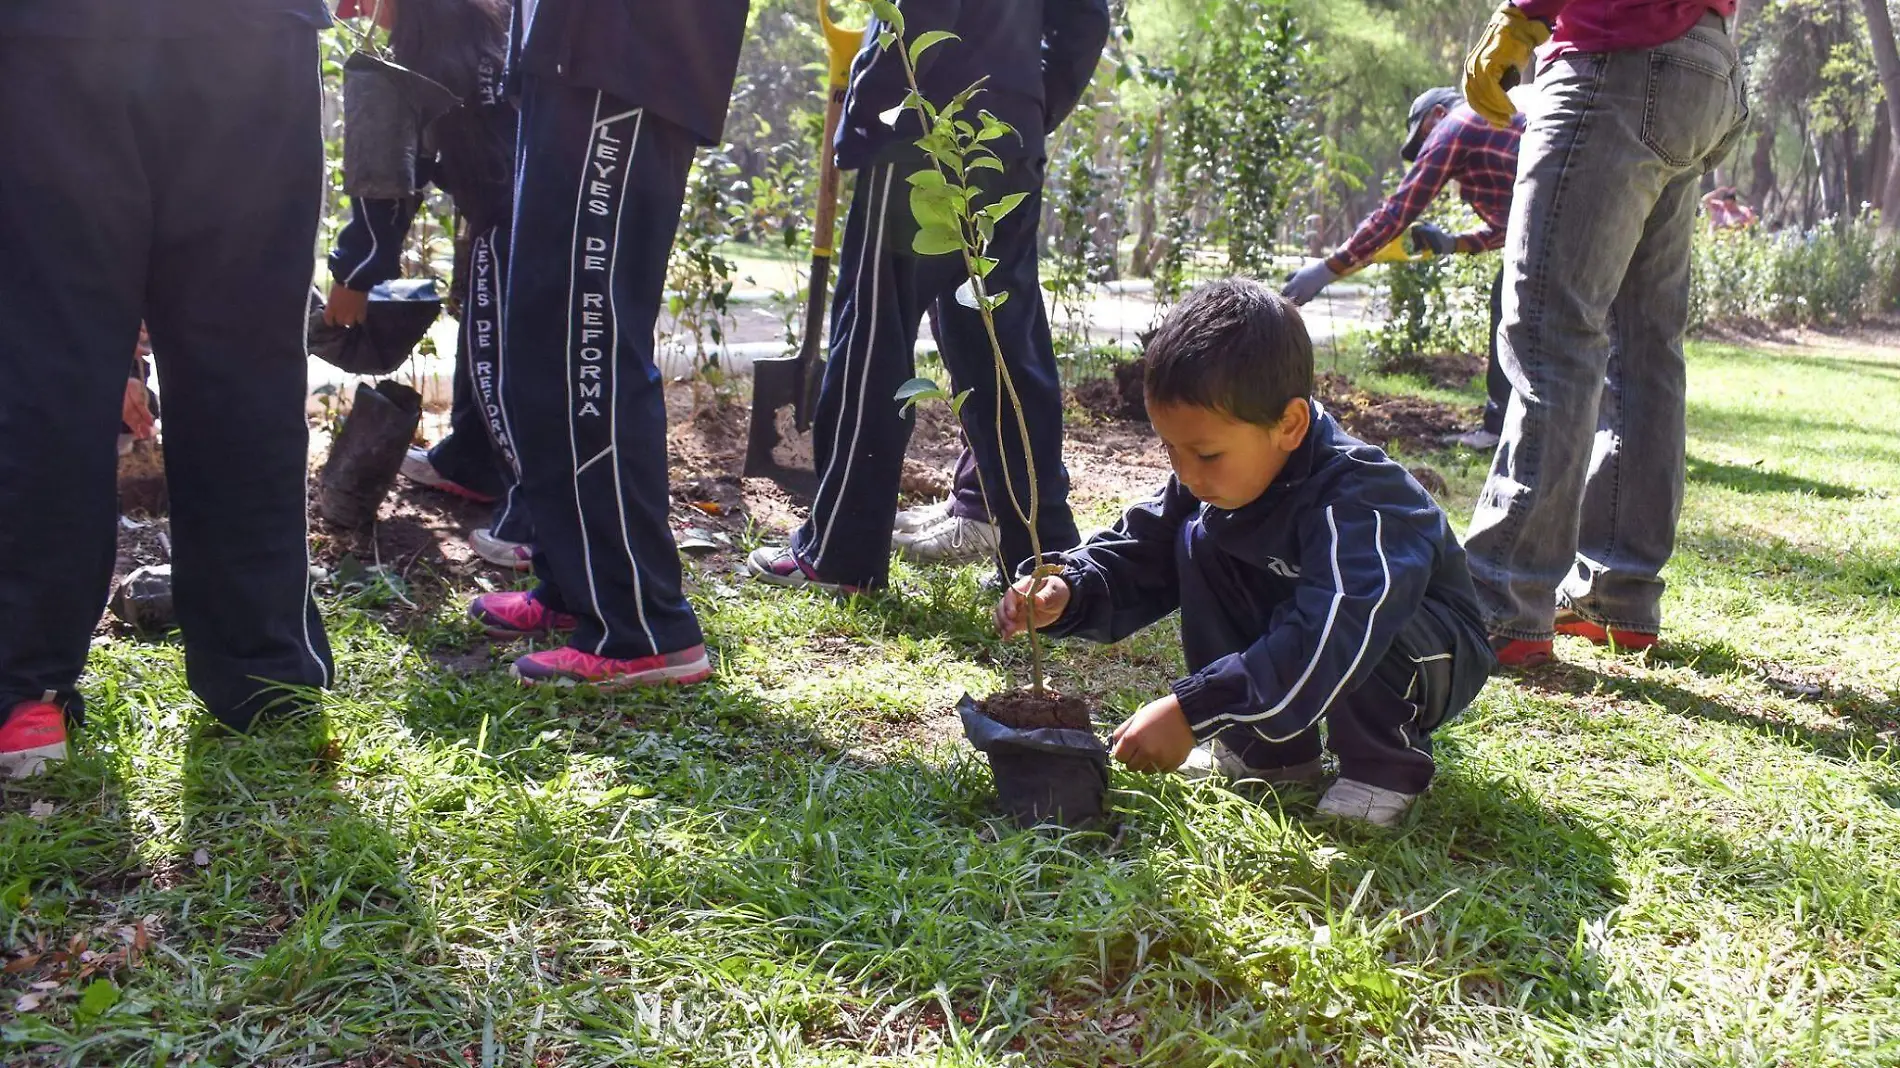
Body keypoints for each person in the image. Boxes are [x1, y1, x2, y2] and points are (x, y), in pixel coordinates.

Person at [995, 280, 1495, 826]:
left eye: (1206, 453)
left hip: (1423, 648)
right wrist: (1068, 588)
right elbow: (1143, 549)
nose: (1185, 472)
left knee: (1359, 613)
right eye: (1171, 449)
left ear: (1290, 425)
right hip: (1323, 626)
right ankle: (1270, 755)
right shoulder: (1218, 480)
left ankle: (1381, 767)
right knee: (1200, 536)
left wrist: (1194, 711)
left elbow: (1332, 634)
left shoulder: (1364, 502)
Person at [0, 0, 336, 778]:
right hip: (245, 33)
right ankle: (265, 672)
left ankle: (25, 691)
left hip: (48, 38)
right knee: (244, 360)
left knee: (47, 358)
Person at [745, 0, 1111, 592]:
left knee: (873, 337)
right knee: (1004, 346)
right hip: (1009, 134)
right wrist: (1030, 105)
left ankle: (841, 550)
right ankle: (1040, 560)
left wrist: (865, 112)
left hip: (920, 124)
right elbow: (1085, 19)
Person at [463, 0, 749, 687]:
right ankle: (576, 587)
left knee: (587, 342)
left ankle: (644, 625)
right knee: (539, 339)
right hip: (563, 60)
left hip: (625, 56)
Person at [1460, 1, 1748, 667]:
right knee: (1643, 344)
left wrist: (1523, 15)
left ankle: (1502, 600)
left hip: (1617, 54)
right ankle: (1617, 591)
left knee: (1551, 332)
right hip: (1705, 64)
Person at [329, 0, 534, 571]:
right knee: (484, 328)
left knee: (507, 372)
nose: (358, 13)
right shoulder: (494, 31)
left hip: (515, 228)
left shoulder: (421, 59)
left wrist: (356, 271)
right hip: (546, 221)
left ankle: (538, 520)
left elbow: (391, 178)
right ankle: (470, 460)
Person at [1283, 87, 1521, 451]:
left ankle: (1501, 428)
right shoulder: (1501, 122)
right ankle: (1515, 426)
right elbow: (1514, 227)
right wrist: (1454, 243)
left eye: (1424, 135)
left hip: (1564, 215)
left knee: (1511, 305)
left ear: (1438, 114)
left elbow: (1397, 212)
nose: (1427, 146)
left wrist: (1327, 269)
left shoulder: (1459, 121)